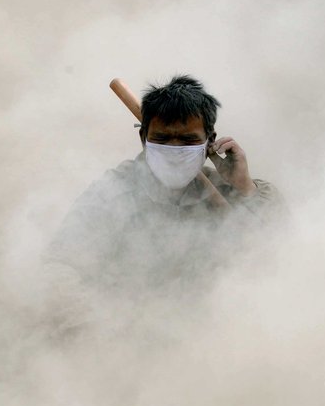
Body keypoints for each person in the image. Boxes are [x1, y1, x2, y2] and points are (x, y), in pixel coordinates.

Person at [45, 75, 283, 295]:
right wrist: (95, 325)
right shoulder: (114, 192)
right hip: (130, 327)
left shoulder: (229, 190)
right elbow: (59, 266)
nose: (175, 149)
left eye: (188, 140)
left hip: (214, 327)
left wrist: (245, 188)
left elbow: (282, 253)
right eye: (162, 139)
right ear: (143, 139)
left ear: (209, 142)